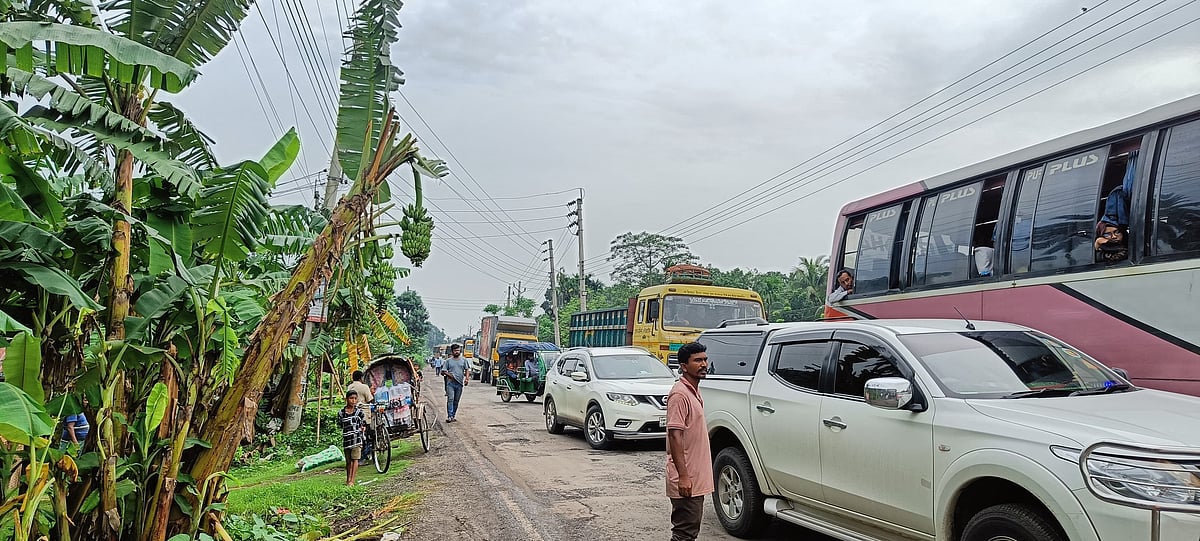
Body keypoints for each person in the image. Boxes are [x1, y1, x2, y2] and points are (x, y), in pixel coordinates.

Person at [666, 342, 713, 541]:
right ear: (684, 366)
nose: (704, 364)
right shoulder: (679, 394)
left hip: (695, 476)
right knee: (684, 533)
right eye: (697, 360)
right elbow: (674, 435)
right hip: (687, 479)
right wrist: (683, 477)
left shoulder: (693, 391)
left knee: (688, 531)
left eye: (704, 359)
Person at [337, 389, 366, 486]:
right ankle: (348, 479)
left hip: (357, 439)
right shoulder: (341, 413)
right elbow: (340, 425)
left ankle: (352, 481)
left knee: (355, 459)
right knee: (348, 461)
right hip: (347, 440)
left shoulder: (359, 412)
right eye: (351, 398)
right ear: (347, 399)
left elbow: (362, 423)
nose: (353, 401)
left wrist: (362, 428)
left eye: (355, 398)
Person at [441, 343, 469, 423]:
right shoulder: (448, 361)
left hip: (459, 384)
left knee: (456, 400)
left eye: (458, 350)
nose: (457, 352)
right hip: (450, 383)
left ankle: (453, 415)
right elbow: (443, 371)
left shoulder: (464, 360)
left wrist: (467, 379)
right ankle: (449, 416)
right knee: (451, 399)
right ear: (452, 351)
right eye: (455, 350)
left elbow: (467, 370)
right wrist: (450, 375)